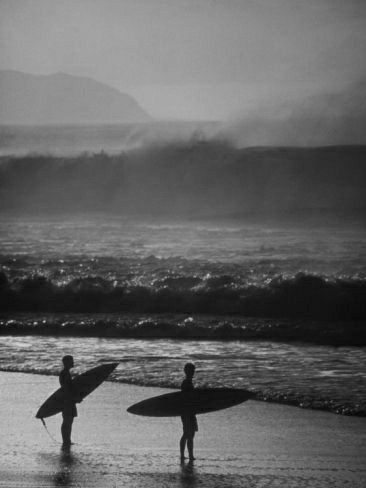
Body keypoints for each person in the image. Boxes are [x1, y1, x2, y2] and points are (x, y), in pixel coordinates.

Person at [180, 362, 198, 461]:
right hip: (187, 411)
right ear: (186, 371)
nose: (192, 372)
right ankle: (185, 455)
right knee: (187, 434)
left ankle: (189, 455)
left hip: (190, 411)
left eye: (193, 371)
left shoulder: (188, 382)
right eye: (191, 371)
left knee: (190, 434)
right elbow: (185, 398)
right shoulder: (186, 382)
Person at [59, 355, 78, 449]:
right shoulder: (64, 373)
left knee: (68, 421)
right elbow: (67, 388)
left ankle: (67, 440)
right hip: (67, 400)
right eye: (71, 361)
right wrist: (74, 398)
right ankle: (66, 441)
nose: (73, 362)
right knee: (67, 420)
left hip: (67, 399)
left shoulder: (65, 373)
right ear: (66, 363)